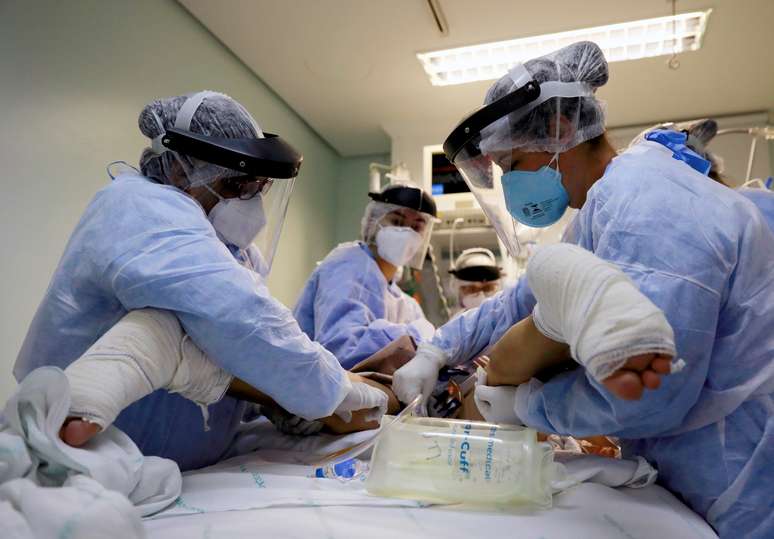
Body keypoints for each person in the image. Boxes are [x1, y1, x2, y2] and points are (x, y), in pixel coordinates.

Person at [392, 42, 774, 537]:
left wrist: (528, 407)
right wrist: (436, 350)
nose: (510, 184)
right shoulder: (606, 208)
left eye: (512, 164)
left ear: (559, 130)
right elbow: (519, 299)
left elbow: (652, 390)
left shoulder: (646, 203)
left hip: (743, 474)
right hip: (702, 467)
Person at [13, 91, 386, 471]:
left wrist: (273, 400)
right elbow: (238, 317)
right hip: (93, 453)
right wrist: (336, 391)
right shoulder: (137, 207)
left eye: (258, 189)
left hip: (183, 467)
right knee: (161, 330)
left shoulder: (235, 254)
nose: (250, 203)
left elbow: (223, 361)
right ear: (180, 170)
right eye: (236, 186)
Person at [293, 184, 436, 369]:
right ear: (372, 222)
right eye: (397, 222)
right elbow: (342, 350)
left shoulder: (406, 304)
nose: (406, 233)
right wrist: (414, 336)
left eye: (416, 227)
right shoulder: (347, 266)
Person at [448, 247, 503, 314]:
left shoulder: (509, 318)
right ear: (458, 289)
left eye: (488, 288)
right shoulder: (456, 323)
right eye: (472, 289)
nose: (481, 296)